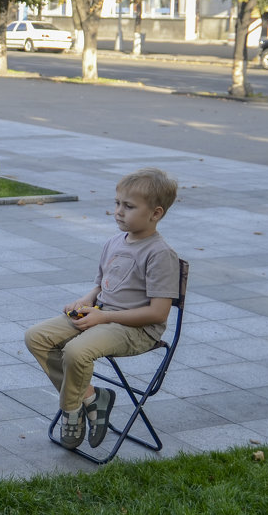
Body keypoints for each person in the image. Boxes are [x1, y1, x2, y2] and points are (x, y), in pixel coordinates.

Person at [24, 168, 181, 450]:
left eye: (129, 206)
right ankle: (93, 398)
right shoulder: (113, 242)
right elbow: (100, 286)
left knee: (76, 351)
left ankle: (72, 412)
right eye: (117, 203)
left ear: (156, 213)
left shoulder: (160, 254)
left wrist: (103, 316)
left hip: (137, 329)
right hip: (102, 315)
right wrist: (85, 300)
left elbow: (158, 314)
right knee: (36, 336)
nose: (118, 211)